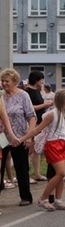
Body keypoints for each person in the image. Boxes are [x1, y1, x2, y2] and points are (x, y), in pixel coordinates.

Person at [18, 90, 65, 211]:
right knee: (60, 173)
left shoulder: (64, 117)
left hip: (62, 145)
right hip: (53, 144)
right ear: (64, 101)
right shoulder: (51, 115)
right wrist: (22, 139)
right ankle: (43, 198)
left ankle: (58, 199)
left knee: (62, 175)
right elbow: (37, 130)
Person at [0, 68, 36, 206]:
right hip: (3, 137)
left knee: (21, 167)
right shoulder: (1, 96)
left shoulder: (23, 95)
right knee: (1, 167)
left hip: (19, 136)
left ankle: (25, 196)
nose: (3, 83)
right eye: (2, 81)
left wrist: (29, 137)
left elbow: (31, 117)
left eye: (6, 81)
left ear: (14, 81)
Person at [25, 71, 52, 183]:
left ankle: (37, 173)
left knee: (36, 149)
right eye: (41, 80)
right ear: (36, 80)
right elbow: (30, 108)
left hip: (40, 122)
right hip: (32, 123)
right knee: (29, 148)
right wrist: (44, 105)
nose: (42, 82)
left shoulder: (37, 91)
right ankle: (26, 174)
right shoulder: (27, 92)